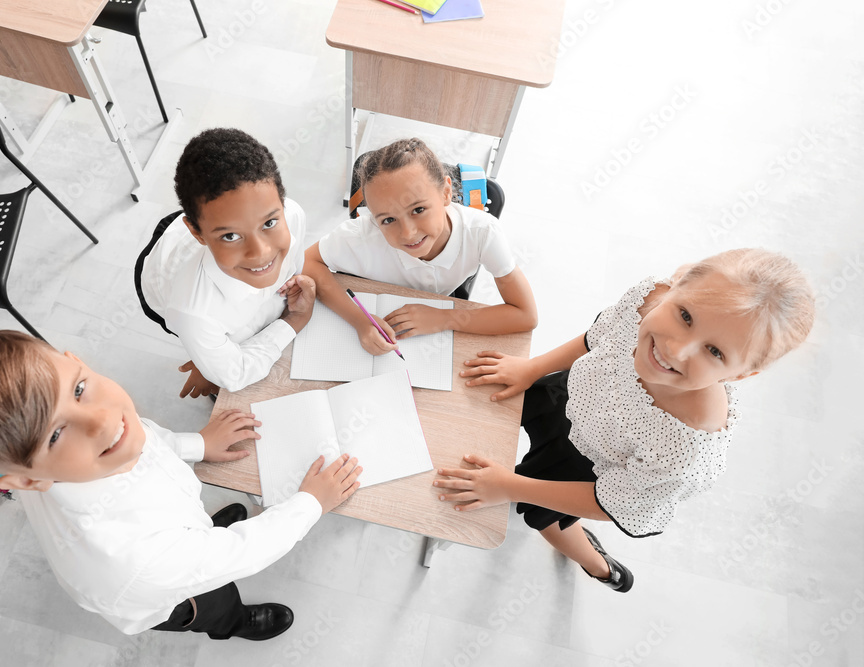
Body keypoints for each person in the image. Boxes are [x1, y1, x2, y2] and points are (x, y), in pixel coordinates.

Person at [0, 331, 361, 637]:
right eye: (55, 434)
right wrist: (310, 503)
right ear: (28, 479)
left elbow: (149, 439)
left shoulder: (105, 443)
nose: (101, 420)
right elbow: (242, 552)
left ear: (76, 362)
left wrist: (197, 444)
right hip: (167, 594)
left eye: (78, 390)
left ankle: (201, 531)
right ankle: (233, 623)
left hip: (175, 532)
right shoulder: (136, 560)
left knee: (199, 542)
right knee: (214, 600)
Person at [435, 249, 814, 592]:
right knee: (493, 406)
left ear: (740, 375)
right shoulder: (649, 297)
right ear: (677, 283)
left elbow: (608, 501)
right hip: (572, 393)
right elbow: (596, 338)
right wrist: (532, 369)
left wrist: (511, 486)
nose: (675, 349)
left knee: (546, 520)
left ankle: (600, 568)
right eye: (684, 316)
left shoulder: (684, 449)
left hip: (590, 467)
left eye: (714, 351)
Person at [303, 138, 537, 356]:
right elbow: (306, 261)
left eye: (418, 210)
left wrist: (444, 319)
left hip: (436, 323)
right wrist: (359, 320)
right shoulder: (362, 236)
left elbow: (525, 314)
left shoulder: (482, 232)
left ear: (446, 193)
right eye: (388, 220)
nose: (408, 233)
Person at [138, 128, 315, 397]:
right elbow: (235, 374)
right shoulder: (191, 312)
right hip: (163, 266)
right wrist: (293, 321)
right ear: (197, 233)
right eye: (231, 236)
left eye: (269, 222)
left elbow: (291, 272)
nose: (260, 252)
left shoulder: (293, 215)